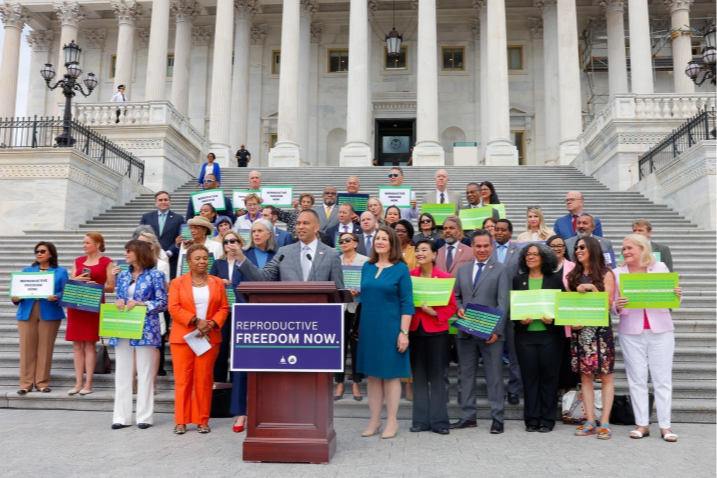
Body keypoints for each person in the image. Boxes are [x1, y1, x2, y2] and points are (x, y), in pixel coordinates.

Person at [613, 234, 681, 442]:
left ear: (642, 248)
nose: (625, 252)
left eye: (630, 248)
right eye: (623, 249)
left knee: (662, 379)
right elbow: (612, 305)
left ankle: (665, 426)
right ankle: (642, 424)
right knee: (636, 380)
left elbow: (671, 295)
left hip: (660, 330)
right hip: (630, 331)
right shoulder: (617, 272)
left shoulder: (660, 267)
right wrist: (617, 306)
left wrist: (677, 294)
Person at [354, 226, 414, 439]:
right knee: (372, 376)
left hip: (391, 329)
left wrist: (403, 332)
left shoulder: (401, 269)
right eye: (377, 238)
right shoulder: (367, 267)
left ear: (392, 244)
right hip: (369, 328)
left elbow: (407, 303)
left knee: (390, 376)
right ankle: (374, 420)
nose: (379, 242)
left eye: (384, 239)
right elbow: (366, 296)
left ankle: (392, 421)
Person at [452, 230, 511, 434]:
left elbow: (503, 302)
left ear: (492, 246)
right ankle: (468, 417)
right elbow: (457, 296)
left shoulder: (501, 269)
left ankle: (497, 418)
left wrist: (497, 330)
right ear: (473, 247)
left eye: (486, 246)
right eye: (478, 246)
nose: (482, 249)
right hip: (466, 331)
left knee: (494, 375)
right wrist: (458, 307)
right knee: (465, 375)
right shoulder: (462, 269)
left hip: (490, 333)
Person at [168, 244, 230, 435]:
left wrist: (210, 324)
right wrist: (195, 321)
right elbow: (174, 307)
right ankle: (181, 421)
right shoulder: (177, 283)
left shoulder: (217, 282)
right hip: (183, 338)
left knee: (204, 380)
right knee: (183, 380)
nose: (202, 261)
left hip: (208, 337)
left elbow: (224, 307)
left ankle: (202, 420)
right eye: (198, 258)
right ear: (188, 262)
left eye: (205, 258)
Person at [109, 240, 167, 430]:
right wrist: (119, 302)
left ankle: (145, 416)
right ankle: (121, 417)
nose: (125, 254)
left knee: (145, 371)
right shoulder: (124, 276)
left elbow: (162, 302)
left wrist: (143, 304)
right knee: (122, 372)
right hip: (124, 325)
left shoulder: (156, 275)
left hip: (146, 328)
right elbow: (121, 297)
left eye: (129, 251)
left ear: (139, 253)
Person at [229, 220, 278, 433]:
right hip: (247, 314)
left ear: (269, 234)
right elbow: (237, 284)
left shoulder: (278, 255)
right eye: (253, 231)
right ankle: (241, 412)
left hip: (272, 316)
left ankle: (269, 408)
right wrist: (250, 306)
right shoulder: (244, 254)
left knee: (269, 364)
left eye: (260, 231)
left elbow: (281, 283)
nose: (256, 234)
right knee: (242, 366)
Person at [512, 243, 565, 432]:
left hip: (550, 337)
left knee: (549, 378)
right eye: (528, 254)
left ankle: (548, 419)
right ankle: (531, 419)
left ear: (544, 257)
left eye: (535, 254)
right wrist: (520, 320)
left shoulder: (555, 279)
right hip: (525, 338)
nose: (530, 257)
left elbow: (563, 309)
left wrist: (554, 319)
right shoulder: (518, 280)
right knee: (529, 378)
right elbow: (512, 309)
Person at [567, 236, 616, 440]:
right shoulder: (573, 275)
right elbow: (568, 305)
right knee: (585, 377)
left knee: (605, 376)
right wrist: (572, 321)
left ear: (593, 249)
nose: (578, 250)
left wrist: (594, 289)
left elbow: (607, 306)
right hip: (580, 333)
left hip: (600, 332)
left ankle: (604, 421)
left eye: (582, 247)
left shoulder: (606, 274)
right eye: (577, 247)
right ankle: (589, 421)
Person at [409, 240, 457, 435]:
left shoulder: (444, 277)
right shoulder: (410, 276)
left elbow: (452, 306)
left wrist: (435, 313)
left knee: (437, 377)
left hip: (437, 331)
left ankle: (439, 422)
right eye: (417, 250)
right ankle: (420, 421)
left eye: (424, 250)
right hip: (414, 330)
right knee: (419, 377)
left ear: (434, 254)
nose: (420, 253)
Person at [11, 242, 68, 394]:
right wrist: (15, 298)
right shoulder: (27, 270)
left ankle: (42, 383)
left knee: (45, 348)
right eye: (37, 251)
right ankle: (25, 383)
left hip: (50, 311)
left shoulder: (60, 271)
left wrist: (57, 296)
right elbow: (18, 291)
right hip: (27, 310)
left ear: (51, 253)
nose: (39, 253)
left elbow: (66, 292)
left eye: (43, 251)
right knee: (26, 348)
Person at [235, 210, 344, 286]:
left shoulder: (331, 255)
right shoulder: (284, 252)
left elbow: (338, 290)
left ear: (316, 228)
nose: (300, 227)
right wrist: (241, 258)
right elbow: (262, 277)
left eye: (305, 223)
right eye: (298, 223)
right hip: (290, 315)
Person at [66, 232, 115, 396]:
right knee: (77, 345)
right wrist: (77, 279)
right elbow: (71, 282)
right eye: (83, 242)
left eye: (87, 242)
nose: (84, 245)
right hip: (77, 304)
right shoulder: (78, 261)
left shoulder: (106, 262)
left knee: (89, 344)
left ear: (98, 244)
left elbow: (111, 287)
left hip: (93, 304)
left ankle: (88, 383)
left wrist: (98, 285)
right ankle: (78, 383)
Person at [490, 218, 522, 404]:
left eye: (503, 230)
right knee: (493, 352)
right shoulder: (488, 250)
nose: (499, 232)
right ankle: (494, 389)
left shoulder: (518, 251)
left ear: (510, 232)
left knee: (514, 352)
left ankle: (514, 389)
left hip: (513, 308)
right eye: (497, 229)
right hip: (492, 307)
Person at [334, 232, 368, 403]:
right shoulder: (335, 260)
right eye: (341, 241)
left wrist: (361, 290)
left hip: (357, 308)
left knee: (356, 347)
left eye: (347, 240)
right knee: (339, 347)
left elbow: (369, 284)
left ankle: (356, 383)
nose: (344, 243)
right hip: (339, 308)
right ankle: (339, 383)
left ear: (356, 243)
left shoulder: (365, 261)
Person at [208, 231, 246, 384]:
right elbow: (209, 281)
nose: (229, 244)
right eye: (226, 241)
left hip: (240, 308)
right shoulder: (218, 263)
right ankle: (220, 382)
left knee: (237, 348)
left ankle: (236, 383)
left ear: (239, 243)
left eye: (233, 240)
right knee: (222, 346)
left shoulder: (245, 261)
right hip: (222, 310)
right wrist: (219, 282)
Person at [546, 234, 580, 392]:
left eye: (560, 246)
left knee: (567, 358)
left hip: (567, 321)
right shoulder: (544, 268)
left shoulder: (574, 267)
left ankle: (569, 394)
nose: (557, 249)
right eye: (553, 246)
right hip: (548, 320)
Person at [139, 191, 184, 278]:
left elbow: (180, 238)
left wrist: (168, 252)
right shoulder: (146, 217)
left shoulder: (178, 218)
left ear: (170, 202)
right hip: (149, 258)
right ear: (155, 202)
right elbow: (140, 236)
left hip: (171, 259)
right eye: (160, 200)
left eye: (165, 200)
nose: (163, 202)